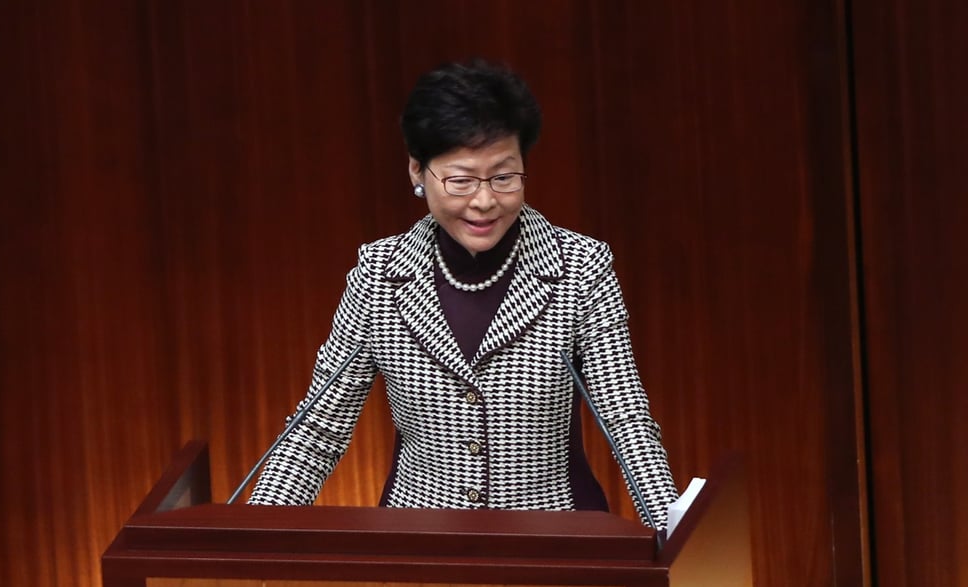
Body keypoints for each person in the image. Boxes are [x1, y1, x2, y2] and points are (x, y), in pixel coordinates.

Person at [248, 59, 679, 529]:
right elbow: (317, 430)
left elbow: (627, 421)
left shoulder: (580, 269)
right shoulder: (379, 277)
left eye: (504, 177)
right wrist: (255, 538)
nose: (484, 201)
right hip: (421, 544)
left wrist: (672, 536)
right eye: (461, 180)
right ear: (417, 171)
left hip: (554, 538)